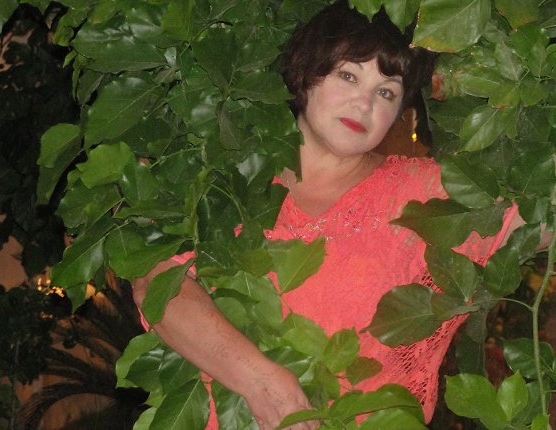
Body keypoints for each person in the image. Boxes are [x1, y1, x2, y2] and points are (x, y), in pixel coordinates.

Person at [132, 2, 520, 429]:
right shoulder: (226, 175)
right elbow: (158, 285)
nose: (364, 103)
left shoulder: (427, 193)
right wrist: (263, 383)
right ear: (306, 73)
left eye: (386, 92)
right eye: (349, 75)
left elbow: (539, 218)